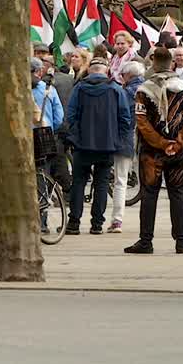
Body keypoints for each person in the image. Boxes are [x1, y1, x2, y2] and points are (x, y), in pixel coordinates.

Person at [125, 47, 183, 255]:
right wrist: (178, 142)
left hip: (151, 153)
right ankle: (182, 241)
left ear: (153, 63)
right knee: (178, 195)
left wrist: (160, 142)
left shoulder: (144, 91)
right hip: (178, 151)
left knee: (149, 195)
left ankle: (146, 241)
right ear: (171, 64)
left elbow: (142, 122)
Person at [64, 58, 130, 235]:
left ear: (89, 70)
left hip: (82, 144)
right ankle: (97, 224)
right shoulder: (115, 89)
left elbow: (70, 115)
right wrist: (118, 139)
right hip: (107, 143)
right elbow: (125, 117)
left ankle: (74, 222)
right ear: (106, 70)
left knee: (78, 182)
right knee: (101, 182)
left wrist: (75, 135)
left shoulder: (79, 88)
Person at [110, 60, 144, 233]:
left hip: (125, 138)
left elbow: (121, 118)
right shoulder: (149, 89)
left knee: (120, 180)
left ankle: (117, 221)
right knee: (148, 183)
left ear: (129, 75)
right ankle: (147, 223)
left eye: (122, 75)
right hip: (148, 140)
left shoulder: (123, 93)